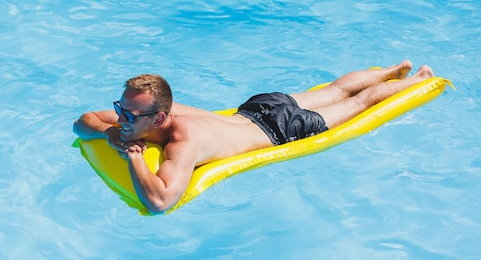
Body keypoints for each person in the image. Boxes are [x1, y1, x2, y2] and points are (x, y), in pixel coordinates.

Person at [73, 61, 434, 214]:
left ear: (160, 116)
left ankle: (416, 79)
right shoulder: (144, 114)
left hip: (283, 129)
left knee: (361, 102)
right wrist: (110, 133)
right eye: (119, 110)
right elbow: (83, 120)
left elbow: (160, 202)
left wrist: (135, 156)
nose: (121, 119)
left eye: (130, 116)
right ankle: (390, 70)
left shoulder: (183, 140)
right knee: (337, 88)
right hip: (256, 108)